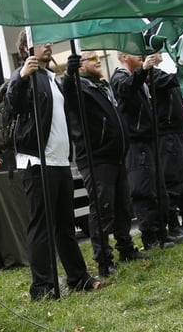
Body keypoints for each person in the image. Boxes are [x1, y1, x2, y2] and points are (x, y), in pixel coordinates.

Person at [7, 31, 102, 300]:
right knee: (42, 227)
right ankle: (43, 288)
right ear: (27, 47)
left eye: (49, 39)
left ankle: (78, 278)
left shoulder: (50, 78)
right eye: (41, 40)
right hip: (38, 163)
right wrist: (21, 76)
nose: (49, 43)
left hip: (59, 162)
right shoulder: (26, 77)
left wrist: (71, 77)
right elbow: (13, 103)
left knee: (64, 225)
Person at [62, 51, 148, 278]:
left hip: (115, 155)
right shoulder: (79, 87)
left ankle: (126, 248)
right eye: (91, 58)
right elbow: (67, 92)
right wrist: (69, 74)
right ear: (80, 66)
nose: (98, 60)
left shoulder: (101, 85)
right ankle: (103, 260)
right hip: (96, 158)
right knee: (102, 209)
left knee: (122, 206)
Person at [112, 52, 174, 249]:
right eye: (134, 52)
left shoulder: (142, 77)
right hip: (136, 142)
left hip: (149, 140)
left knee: (158, 188)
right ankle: (150, 237)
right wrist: (143, 70)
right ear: (123, 56)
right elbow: (126, 88)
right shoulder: (119, 77)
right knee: (143, 189)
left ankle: (162, 233)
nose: (140, 54)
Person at [147, 58, 183, 240]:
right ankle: (173, 223)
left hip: (175, 133)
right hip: (165, 135)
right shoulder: (152, 75)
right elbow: (171, 80)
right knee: (173, 179)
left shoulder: (158, 72)